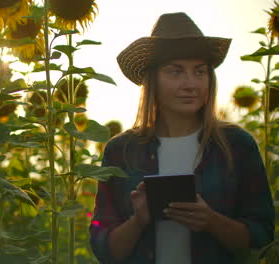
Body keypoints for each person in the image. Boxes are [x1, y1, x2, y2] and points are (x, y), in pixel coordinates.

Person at [89, 12, 275, 264]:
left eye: (199, 72)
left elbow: (261, 236)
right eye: (175, 72)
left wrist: (211, 220)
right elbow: (105, 250)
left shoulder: (237, 145)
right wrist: (138, 220)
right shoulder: (120, 151)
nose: (191, 84)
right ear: (152, 80)